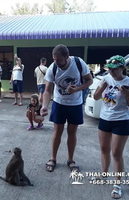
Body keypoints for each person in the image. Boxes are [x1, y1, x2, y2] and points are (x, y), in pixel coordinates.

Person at [40, 44, 93, 173]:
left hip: (75, 104)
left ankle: (70, 159)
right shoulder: (52, 68)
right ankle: (53, 158)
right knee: (57, 131)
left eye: (59, 60)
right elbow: (47, 90)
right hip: (59, 103)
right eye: (54, 60)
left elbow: (89, 81)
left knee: (72, 132)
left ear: (67, 56)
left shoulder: (78, 63)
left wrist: (77, 89)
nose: (56, 62)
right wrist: (44, 106)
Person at [93, 55, 129, 199]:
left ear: (123, 68)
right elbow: (95, 97)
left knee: (116, 154)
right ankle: (104, 174)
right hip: (105, 119)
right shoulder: (106, 79)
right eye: (110, 69)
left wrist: (127, 94)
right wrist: (102, 87)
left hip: (121, 120)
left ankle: (117, 185)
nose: (111, 72)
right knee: (104, 149)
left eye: (115, 69)